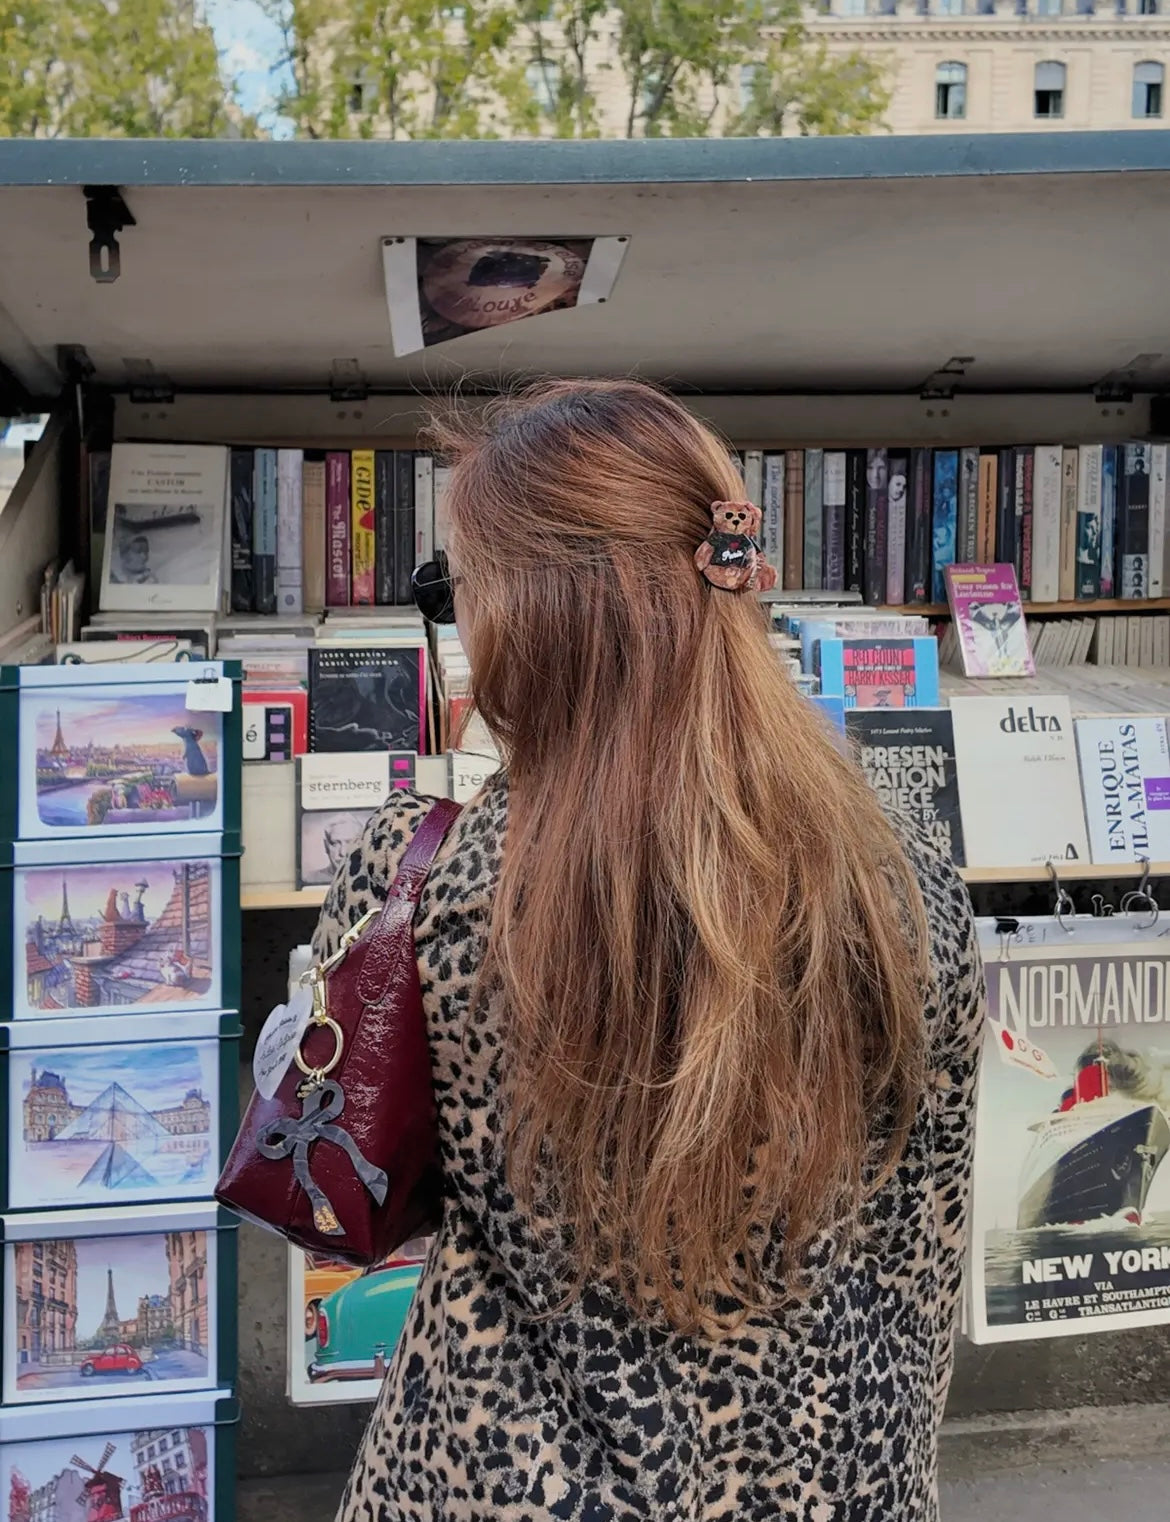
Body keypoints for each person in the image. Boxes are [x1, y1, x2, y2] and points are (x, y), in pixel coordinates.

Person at [313, 379, 986, 1522]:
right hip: (838, 1483)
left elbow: (348, 1178)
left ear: (532, 612)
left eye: (454, 588)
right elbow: (929, 1219)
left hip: (505, 1483)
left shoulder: (424, 886)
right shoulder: (906, 882)